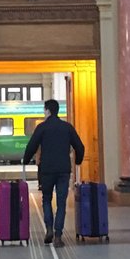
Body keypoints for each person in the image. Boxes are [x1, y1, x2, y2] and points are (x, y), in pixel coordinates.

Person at [22, 99, 84, 248]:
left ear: (47, 110)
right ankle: (57, 236)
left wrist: (25, 160)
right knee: (61, 203)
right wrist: (78, 162)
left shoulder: (42, 128)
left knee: (46, 199)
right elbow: (79, 146)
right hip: (63, 170)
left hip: (47, 170)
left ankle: (49, 228)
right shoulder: (67, 127)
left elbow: (32, 146)